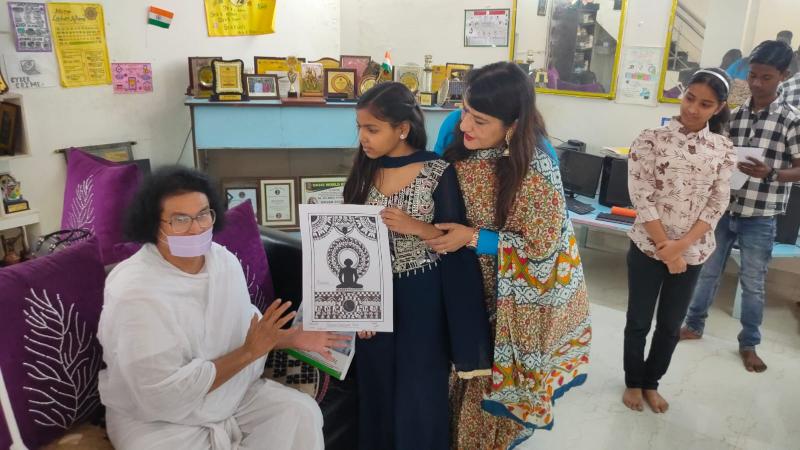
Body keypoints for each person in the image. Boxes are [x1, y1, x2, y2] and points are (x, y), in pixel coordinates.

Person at [98, 166, 347, 449]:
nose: (196, 228)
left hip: (230, 393)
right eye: (180, 219)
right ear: (153, 225)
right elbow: (160, 396)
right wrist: (249, 352)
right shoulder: (134, 291)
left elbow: (242, 331)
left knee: (300, 413)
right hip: (160, 421)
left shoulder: (223, 261)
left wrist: (293, 337)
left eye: (203, 214)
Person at [426, 62, 591, 449]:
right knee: (455, 373)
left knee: (484, 388)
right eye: (465, 110)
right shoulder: (454, 128)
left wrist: (472, 238)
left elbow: (540, 247)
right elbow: (434, 182)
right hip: (463, 279)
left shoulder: (535, 166)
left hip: (510, 294)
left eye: (480, 120)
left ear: (513, 125)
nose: (465, 125)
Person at [343, 82, 491, 449]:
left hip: (422, 293)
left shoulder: (437, 170)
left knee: (420, 386)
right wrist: (357, 311)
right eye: (360, 128)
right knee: (376, 383)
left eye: (372, 129)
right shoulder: (364, 170)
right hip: (371, 293)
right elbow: (349, 241)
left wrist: (416, 227)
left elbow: (454, 241)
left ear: (402, 129)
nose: (363, 138)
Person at [681, 40, 800, 373]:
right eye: (753, 76)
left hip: (760, 216)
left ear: (783, 76)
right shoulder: (735, 114)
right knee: (706, 272)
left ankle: (749, 344)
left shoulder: (791, 119)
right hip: (723, 209)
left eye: (766, 77)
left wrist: (771, 173)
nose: (757, 84)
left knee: (753, 283)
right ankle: (694, 325)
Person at [623, 68, 736, 414]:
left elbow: (717, 203)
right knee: (638, 320)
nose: (693, 109)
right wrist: (665, 248)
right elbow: (641, 196)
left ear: (718, 108)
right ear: (682, 93)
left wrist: (681, 247)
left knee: (671, 325)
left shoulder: (723, 149)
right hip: (647, 247)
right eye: (690, 98)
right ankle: (633, 381)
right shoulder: (650, 139)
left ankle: (652, 383)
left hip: (692, 253)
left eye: (705, 104)